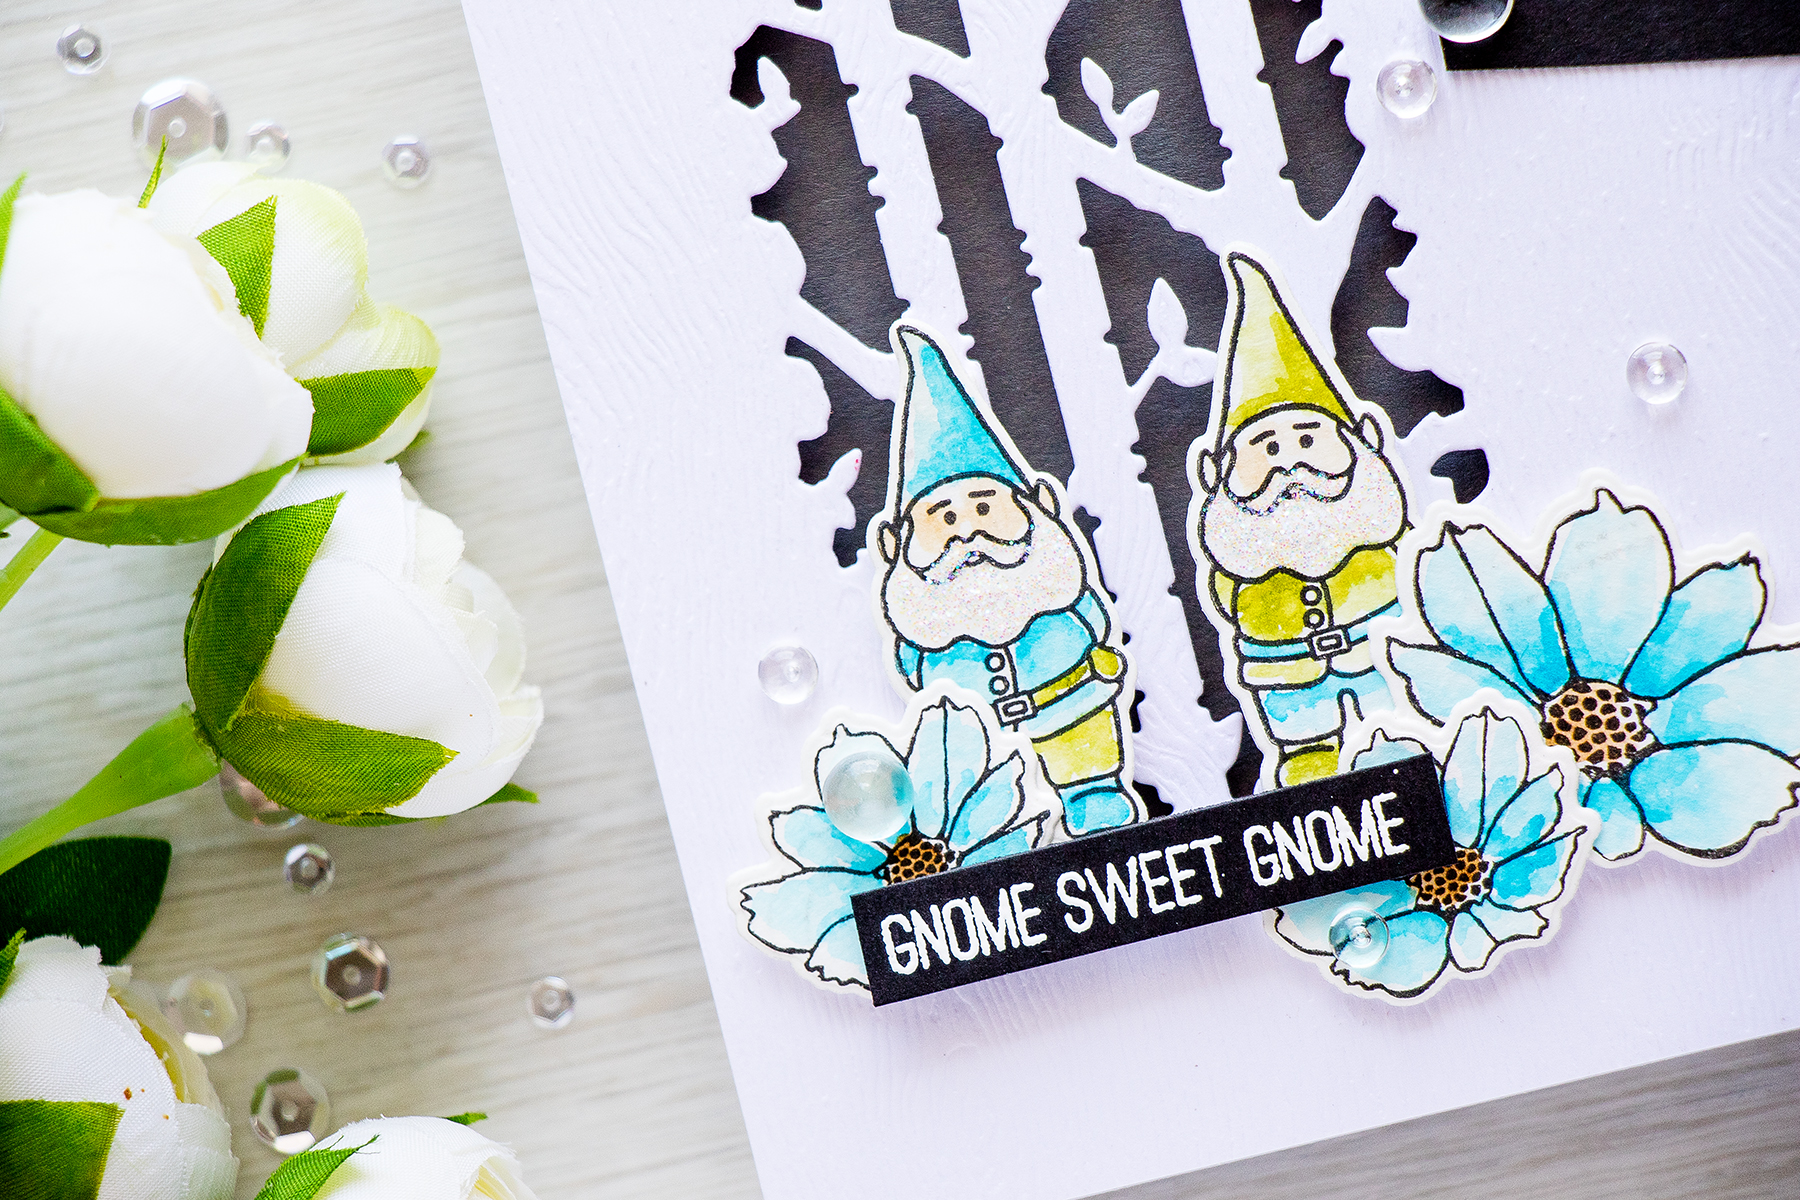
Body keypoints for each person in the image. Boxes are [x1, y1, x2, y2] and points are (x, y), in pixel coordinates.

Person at [873, 325, 1138, 837]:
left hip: (1075, 712)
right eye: (944, 518)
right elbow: (912, 666)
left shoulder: (1053, 579)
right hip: (987, 748)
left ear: (1038, 505)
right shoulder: (923, 620)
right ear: (896, 544)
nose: (967, 533)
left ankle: (1097, 803)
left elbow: (1094, 617)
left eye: (984, 507)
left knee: (1095, 795)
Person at [1186, 252, 1407, 787]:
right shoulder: (1237, 550)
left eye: (1308, 439)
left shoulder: (1376, 529)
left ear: (1361, 440)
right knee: (1308, 764)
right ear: (1218, 472)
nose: (1288, 463)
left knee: (1399, 738)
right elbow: (1227, 598)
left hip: (1378, 659)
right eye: (1265, 446)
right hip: (1285, 680)